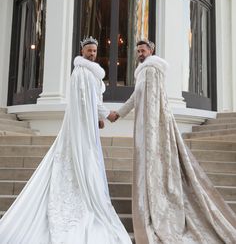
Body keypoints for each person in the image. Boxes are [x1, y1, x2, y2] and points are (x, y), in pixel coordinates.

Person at [0, 36, 132, 244]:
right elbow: (82, 102)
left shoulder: (90, 73)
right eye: (89, 50)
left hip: (87, 127)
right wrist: (106, 115)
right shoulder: (81, 73)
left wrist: (97, 118)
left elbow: (90, 102)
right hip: (80, 131)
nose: (92, 53)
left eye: (94, 51)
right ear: (82, 52)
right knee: (78, 161)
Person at [112, 39, 236, 244]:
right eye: (138, 51)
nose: (140, 53)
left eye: (143, 50)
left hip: (151, 127)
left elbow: (154, 101)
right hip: (145, 126)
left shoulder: (152, 69)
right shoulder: (142, 71)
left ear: (151, 50)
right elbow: (137, 97)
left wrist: (151, 130)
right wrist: (118, 114)